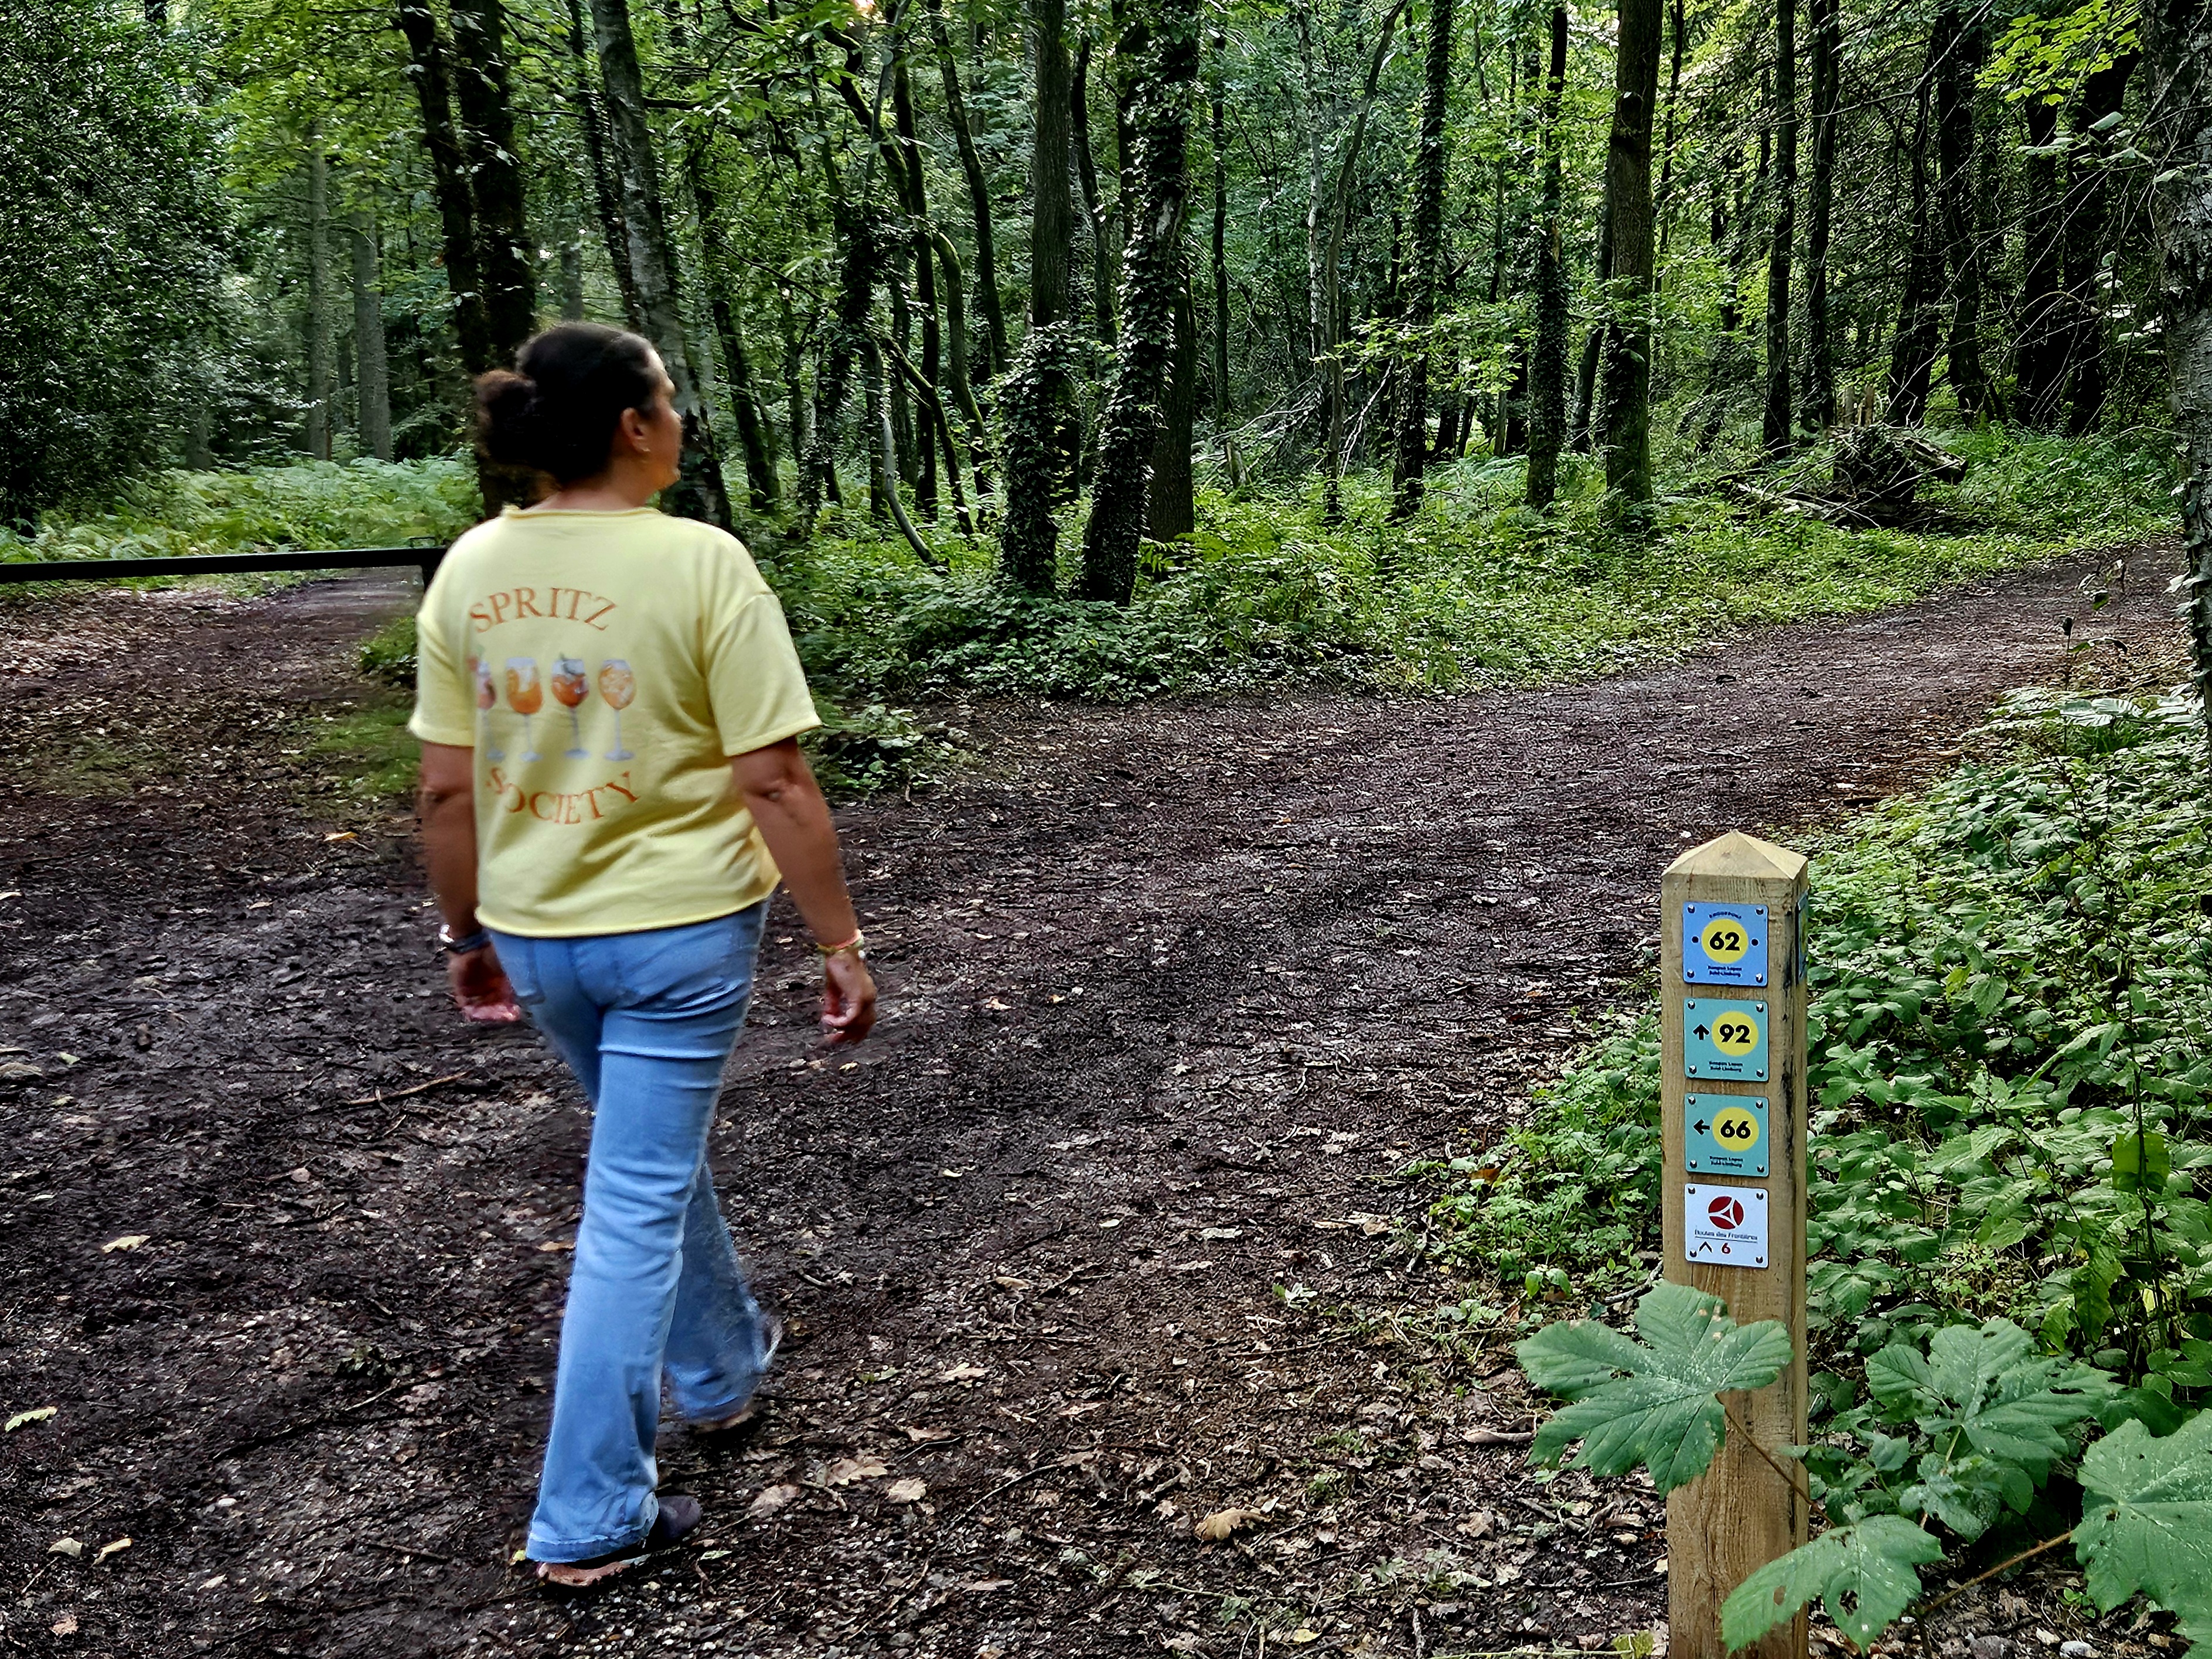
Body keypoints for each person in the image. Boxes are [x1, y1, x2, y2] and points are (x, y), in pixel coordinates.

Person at [409, 321, 877, 1586]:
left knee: (643, 1161)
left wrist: (465, 932)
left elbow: (445, 789)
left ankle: (721, 1373)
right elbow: (775, 779)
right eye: (668, 400)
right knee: (631, 1203)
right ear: (631, 425)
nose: (679, 420)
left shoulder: (471, 567)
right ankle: (591, 1512)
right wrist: (839, 941)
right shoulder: (700, 562)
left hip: (538, 933)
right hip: (677, 936)